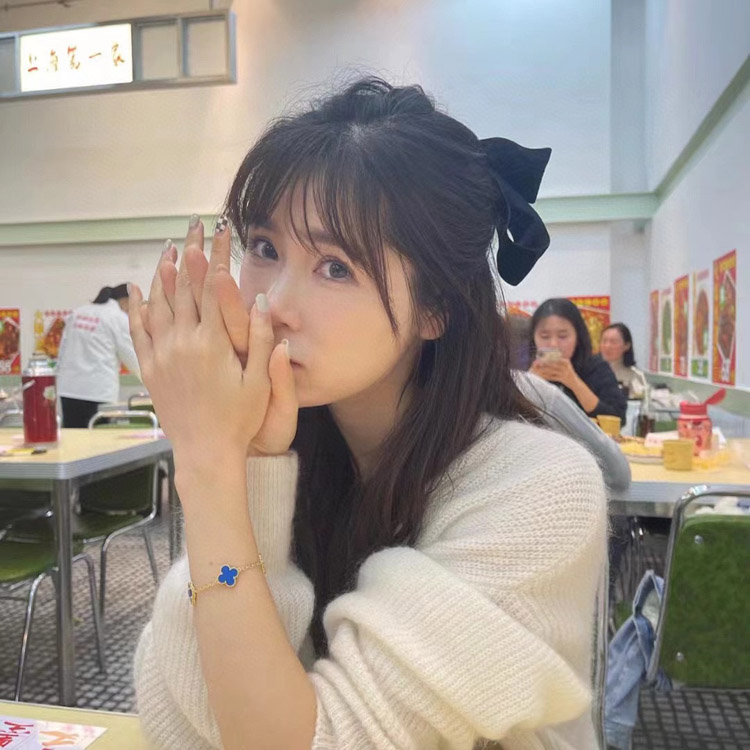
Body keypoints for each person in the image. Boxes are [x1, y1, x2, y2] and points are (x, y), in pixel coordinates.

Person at [131, 78, 607, 749]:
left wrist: (208, 466)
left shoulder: (541, 488)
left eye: (335, 267)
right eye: (265, 248)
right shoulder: (283, 446)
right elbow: (185, 720)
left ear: (436, 308)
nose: (274, 304)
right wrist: (251, 468)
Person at [530, 298, 627, 424]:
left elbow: (618, 418)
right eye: (545, 336)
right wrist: (529, 383)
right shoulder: (525, 368)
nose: (553, 344)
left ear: (577, 336)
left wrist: (574, 382)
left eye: (563, 336)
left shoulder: (597, 368)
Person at [56, 284, 140, 427]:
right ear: (125, 302)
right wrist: (152, 384)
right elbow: (132, 356)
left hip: (69, 389)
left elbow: (62, 351)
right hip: (98, 391)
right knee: (98, 436)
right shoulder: (117, 317)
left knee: (73, 436)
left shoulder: (78, 313)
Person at [600, 322, 647, 399]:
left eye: (613, 342)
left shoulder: (635, 376)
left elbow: (639, 400)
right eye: (604, 341)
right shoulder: (592, 372)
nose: (607, 346)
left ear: (626, 345)